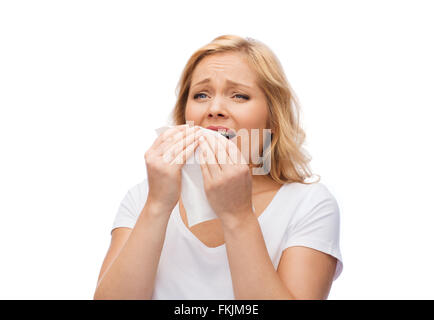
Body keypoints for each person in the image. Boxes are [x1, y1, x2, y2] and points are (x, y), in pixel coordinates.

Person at [93, 35, 343, 300]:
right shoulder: (142, 198)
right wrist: (157, 205)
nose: (214, 109)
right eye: (201, 94)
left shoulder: (309, 204)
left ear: (272, 117)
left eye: (239, 95)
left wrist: (237, 214)